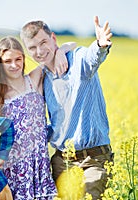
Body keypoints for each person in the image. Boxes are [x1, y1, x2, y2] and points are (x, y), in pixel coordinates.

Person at [20, 16, 114, 199]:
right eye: (32, 47)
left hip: (93, 159)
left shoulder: (78, 60)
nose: (39, 51)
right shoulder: (42, 77)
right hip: (61, 161)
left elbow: (92, 57)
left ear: (53, 38)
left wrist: (101, 45)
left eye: (43, 42)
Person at [0, 36, 75, 199]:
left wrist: (60, 51)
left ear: (24, 59)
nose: (14, 65)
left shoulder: (34, 79)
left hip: (39, 163)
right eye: (7, 61)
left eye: (18, 59)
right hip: (14, 167)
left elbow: (71, 45)